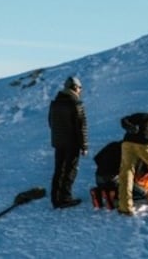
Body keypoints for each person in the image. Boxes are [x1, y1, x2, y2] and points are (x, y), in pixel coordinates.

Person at [48, 76, 88, 209]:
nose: (80, 91)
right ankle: (65, 198)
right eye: (80, 88)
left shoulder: (55, 103)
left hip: (58, 142)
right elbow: (81, 127)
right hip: (72, 143)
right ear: (75, 87)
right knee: (70, 170)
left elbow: (51, 123)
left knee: (58, 170)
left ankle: (55, 199)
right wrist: (84, 146)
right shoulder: (76, 104)